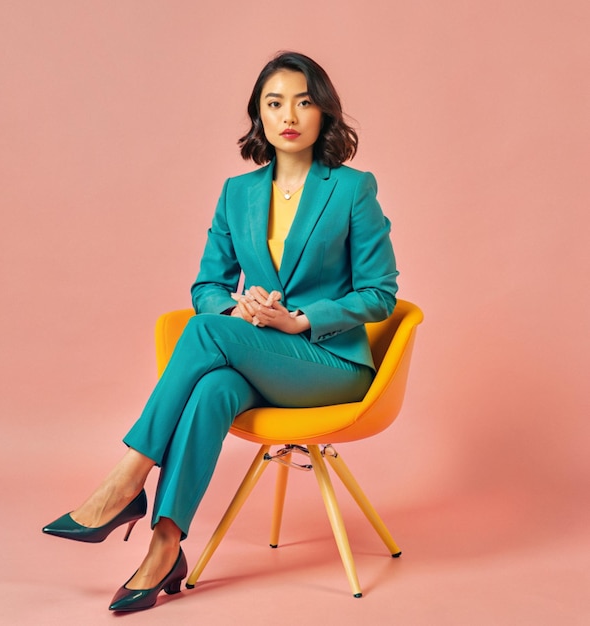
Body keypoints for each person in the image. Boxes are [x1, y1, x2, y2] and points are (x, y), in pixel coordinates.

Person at [42, 51, 399, 612]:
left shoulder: (352, 189)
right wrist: (239, 309)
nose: (289, 115)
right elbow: (208, 285)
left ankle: (126, 479)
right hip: (260, 357)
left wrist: (300, 319)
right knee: (212, 385)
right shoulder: (238, 192)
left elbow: (380, 293)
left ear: (324, 112)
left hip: (330, 366)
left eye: (304, 102)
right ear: (258, 114)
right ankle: (164, 547)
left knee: (205, 334)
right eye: (274, 103)